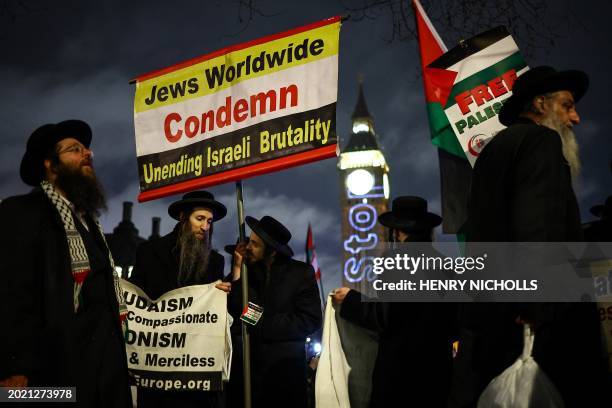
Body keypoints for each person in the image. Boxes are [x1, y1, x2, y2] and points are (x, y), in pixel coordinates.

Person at [453, 66, 608, 407]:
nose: (576, 117)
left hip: (493, 308)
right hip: (540, 315)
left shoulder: (495, 149)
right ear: (540, 104)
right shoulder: (541, 141)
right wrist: (535, 302)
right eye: (567, 105)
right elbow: (536, 222)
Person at [0, 120, 132, 407]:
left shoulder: (90, 225)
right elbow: (10, 294)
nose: (87, 154)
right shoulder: (20, 213)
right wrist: (14, 368)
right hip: (52, 374)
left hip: (103, 373)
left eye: (87, 150)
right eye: (75, 150)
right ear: (51, 164)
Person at [332, 196, 455, 407]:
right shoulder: (445, 265)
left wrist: (351, 298)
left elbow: (383, 316)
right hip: (437, 374)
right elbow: (454, 323)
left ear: (397, 232)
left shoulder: (396, 262)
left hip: (402, 375)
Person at [129, 190, 230, 408]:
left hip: (195, 369)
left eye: (210, 221)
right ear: (183, 218)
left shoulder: (215, 261)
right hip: (158, 365)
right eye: (200, 219)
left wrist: (224, 290)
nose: (206, 227)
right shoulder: (149, 251)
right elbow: (136, 297)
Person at [229, 215, 322, 408]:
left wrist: (262, 323)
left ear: (271, 251)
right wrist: (237, 269)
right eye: (249, 241)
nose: (247, 247)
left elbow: (310, 320)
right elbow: (236, 308)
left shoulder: (301, 273)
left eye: (254, 244)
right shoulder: (248, 271)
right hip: (248, 374)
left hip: (284, 374)